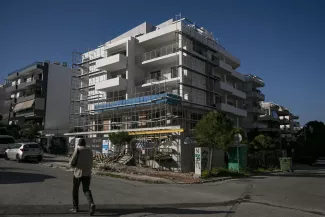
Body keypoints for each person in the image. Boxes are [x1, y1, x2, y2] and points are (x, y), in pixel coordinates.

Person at [69, 138, 96, 215]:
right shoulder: (90, 151)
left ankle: (75, 207)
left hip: (78, 173)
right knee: (86, 190)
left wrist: (73, 165)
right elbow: (91, 162)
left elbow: (71, 162)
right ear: (85, 144)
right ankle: (91, 203)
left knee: (75, 190)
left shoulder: (78, 150)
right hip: (87, 173)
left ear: (79, 144)